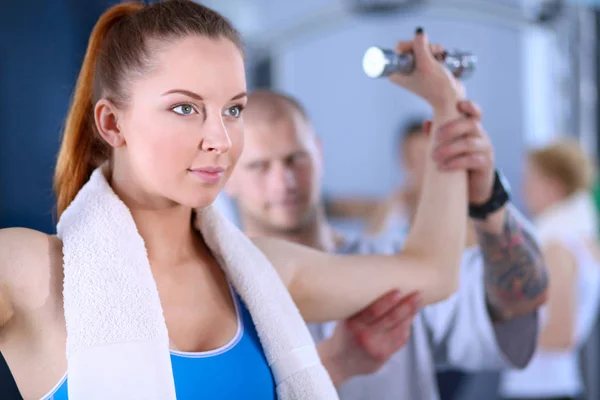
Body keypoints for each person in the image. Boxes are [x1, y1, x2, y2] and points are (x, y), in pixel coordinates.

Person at [0, 1, 476, 399]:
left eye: (233, 109)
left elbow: (433, 271)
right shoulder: (28, 272)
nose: (220, 139)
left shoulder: (262, 273)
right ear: (111, 124)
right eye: (184, 108)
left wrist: (448, 112)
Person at [225, 89, 549, 399]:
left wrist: (488, 201)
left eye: (296, 158)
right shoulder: (214, 291)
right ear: (225, 176)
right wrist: (338, 362)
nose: (285, 182)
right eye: (259, 166)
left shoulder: (400, 263)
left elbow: (519, 301)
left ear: (320, 153)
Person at [499, 140, 600, 400]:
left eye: (531, 180)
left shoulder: (557, 245)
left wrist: (496, 337)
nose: (523, 189)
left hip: (542, 390)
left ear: (554, 185)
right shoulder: (575, 237)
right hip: (545, 387)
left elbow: (561, 334)